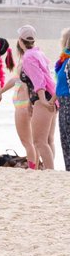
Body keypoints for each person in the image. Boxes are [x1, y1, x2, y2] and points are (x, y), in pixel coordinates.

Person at [15, 25, 57, 170]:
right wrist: (30, 103)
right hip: (48, 96)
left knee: (39, 141)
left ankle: (50, 172)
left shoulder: (28, 57)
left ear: (20, 41)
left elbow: (39, 80)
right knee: (48, 140)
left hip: (43, 97)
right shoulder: (38, 53)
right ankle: (49, 171)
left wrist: (43, 101)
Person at [57, 29, 70, 172]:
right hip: (62, 101)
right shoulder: (64, 60)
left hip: (68, 101)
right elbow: (60, 83)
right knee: (64, 138)